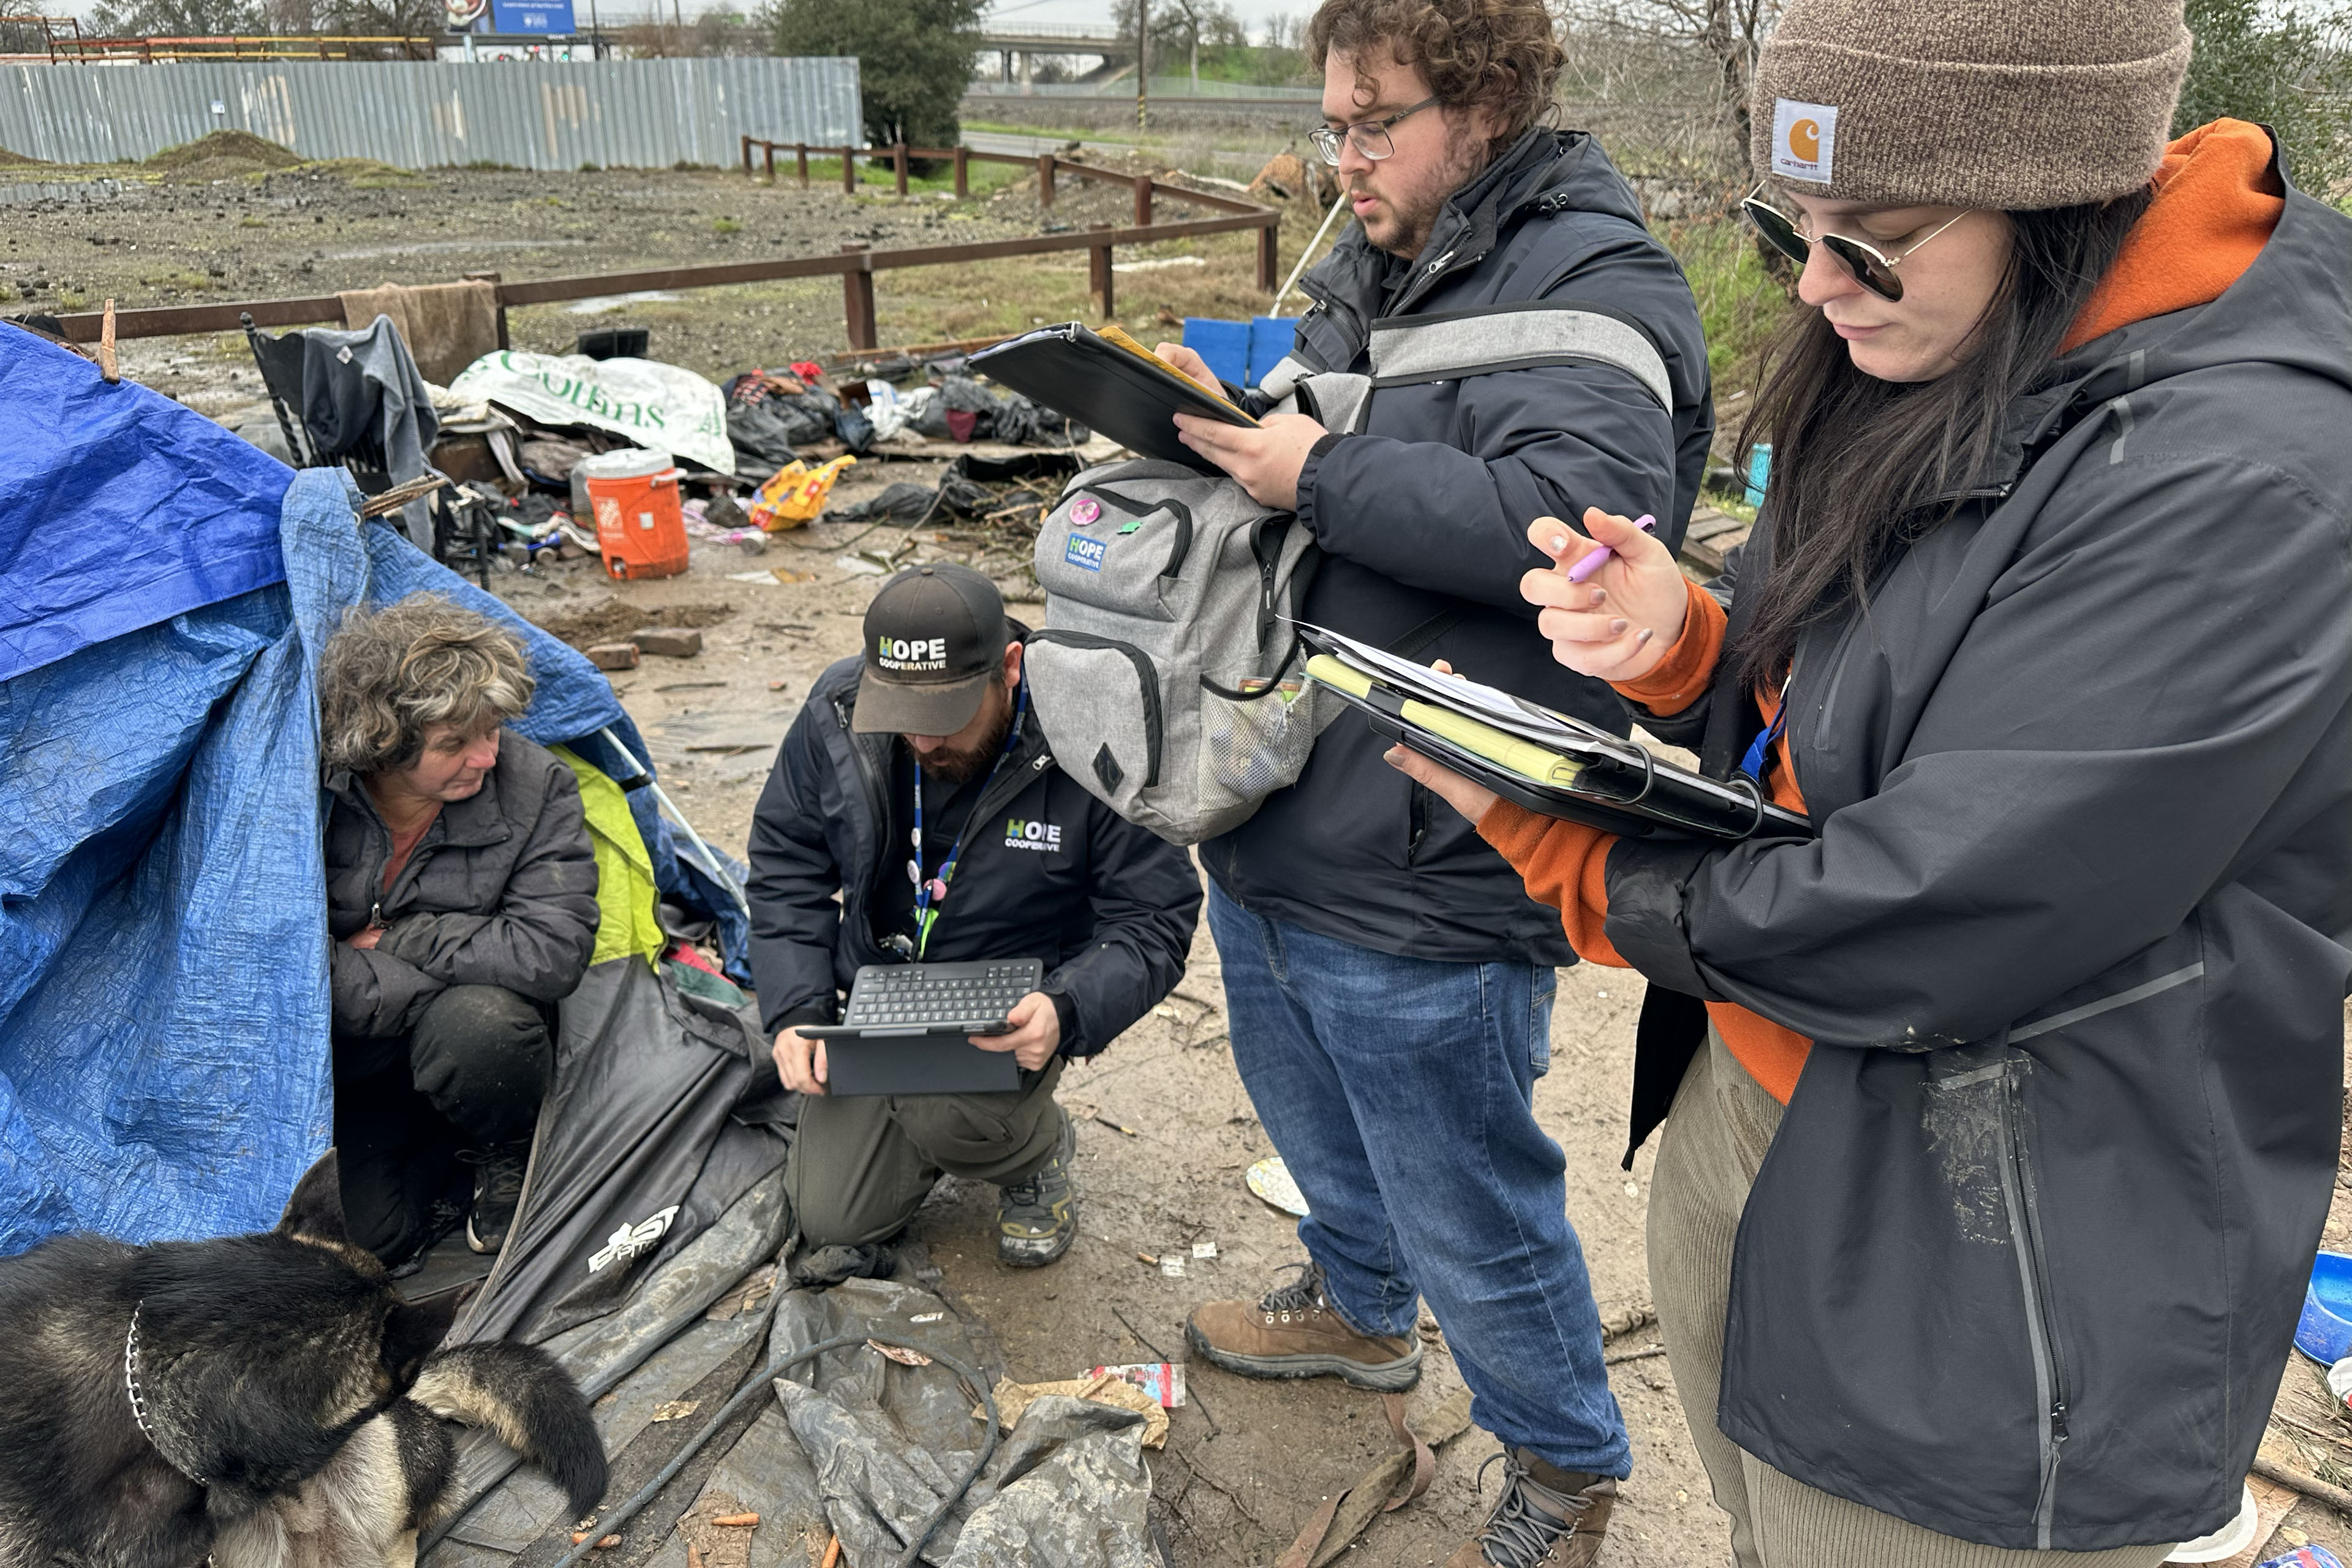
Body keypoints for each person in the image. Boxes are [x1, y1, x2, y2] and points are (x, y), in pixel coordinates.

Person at [1391, 0, 2352, 1562]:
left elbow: (1956, 895)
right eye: (1793, 228)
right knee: (1760, 1523)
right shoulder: (1949, 337)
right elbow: (1856, 695)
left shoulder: (2239, 477)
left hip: (1997, 1230)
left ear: (2062, 198)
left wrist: (1590, 873)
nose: (1817, 285)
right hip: (1765, 1084)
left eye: (1877, 241)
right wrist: (1690, 647)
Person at [1151, 0, 1712, 1561]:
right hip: (1280, 791)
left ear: (1484, 102)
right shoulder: (1372, 256)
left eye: (1374, 122)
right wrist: (1233, 422)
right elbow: (1334, 439)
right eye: (1331, 123)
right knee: (1312, 1113)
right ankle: (1357, 1304)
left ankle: (1565, 1464)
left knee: (1466, 1188)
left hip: (1436, 835)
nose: (1343, 157)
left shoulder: (1596, 278)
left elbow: (1585, 526)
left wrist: (1317, 472)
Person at [747, 564, 1200, 1268]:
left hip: (1008, 1006)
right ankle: (946, 1128)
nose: (924, 743)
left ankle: (1035, 1149)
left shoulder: (1089, 730)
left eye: (947, 718)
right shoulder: (838, 711)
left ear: (1009, 668)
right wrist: (797, 1010)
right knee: (831, 1219)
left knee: (943, 1113)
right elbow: (786, 867)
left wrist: (1067, 1007)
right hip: (880, 997)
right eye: (902, 717)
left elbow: (1155, 917)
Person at [321, 596, 599, 1266]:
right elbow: (276, 956)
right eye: (453, 744)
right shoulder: (307, 794)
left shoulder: (536, 788)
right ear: (382, 747)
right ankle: (440, 1151)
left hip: (468, 1045)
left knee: (483, 1028)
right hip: (351, 1057)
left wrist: (400, 940)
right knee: (366, 1243)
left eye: (493, 730)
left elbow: (553, 951)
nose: (485, 757)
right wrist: (416, 986)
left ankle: (503, 1143)